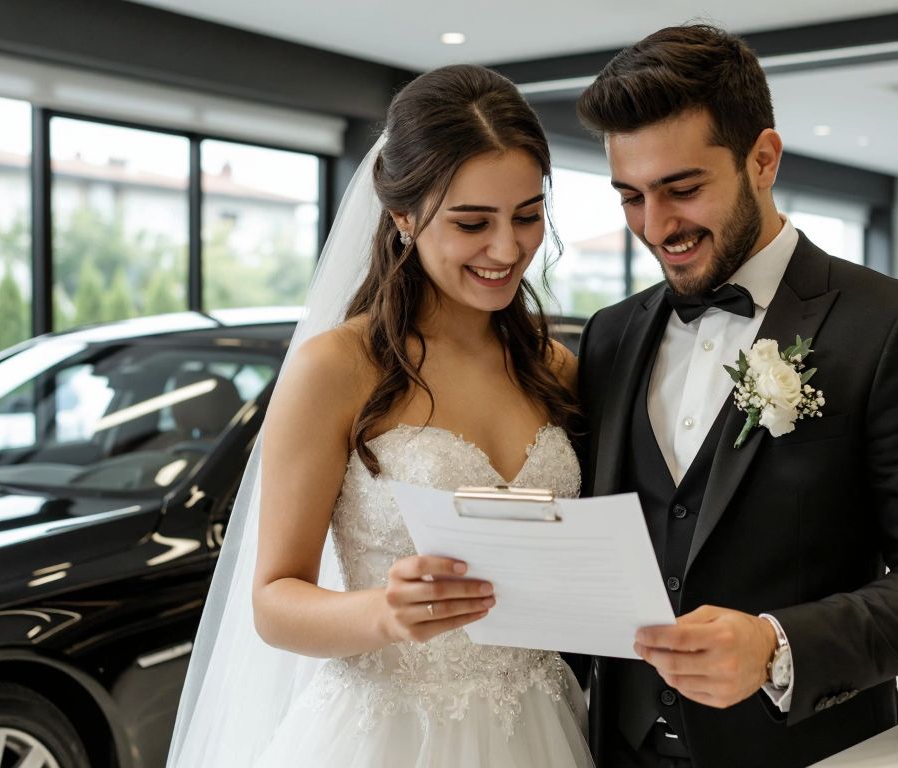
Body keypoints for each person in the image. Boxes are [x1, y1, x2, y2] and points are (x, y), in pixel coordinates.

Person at [572, 24, 898, 767]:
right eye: (631, 197)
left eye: (684, 189)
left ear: (762, 159)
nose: (656, 226)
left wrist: (777, 643)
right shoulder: (609, 335)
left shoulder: (895, 325)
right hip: (618, 747)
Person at [167, 64, 594, 767]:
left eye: (527, 214)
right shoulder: (336, 369)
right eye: (471, 222)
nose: (508, 248)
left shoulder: (555, 368)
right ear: (402, 215)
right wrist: (383, 614)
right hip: (386, 733)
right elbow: (275, 603)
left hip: (540, 724)